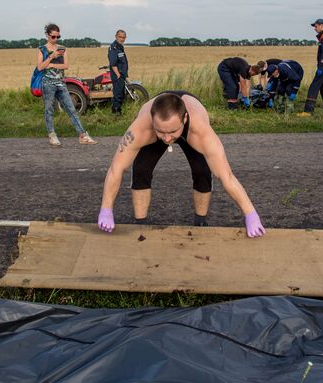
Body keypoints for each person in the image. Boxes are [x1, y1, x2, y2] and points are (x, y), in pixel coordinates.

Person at [97, 91, 266, 238]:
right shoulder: (141, 128)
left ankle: (200, 224)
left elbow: (226, 176)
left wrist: (250, 214)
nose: (167, 138)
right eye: (161, 131)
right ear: (152, 120)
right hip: (158, 125)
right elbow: (116, 169)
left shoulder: (200, 130)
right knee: (141, 168)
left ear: (184, 119)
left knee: (202, 170)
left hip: (191, 126)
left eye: (172, 132)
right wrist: (106, 209)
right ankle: (141, 225)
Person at [37, 23, 97, 146]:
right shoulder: (42, 49)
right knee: (49, 110)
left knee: (71, 109)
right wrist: (51, 57)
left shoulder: (63, 49)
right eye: (53, 37)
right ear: (47, 35)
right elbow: (40, 67)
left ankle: (83, 135)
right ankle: (52, 135)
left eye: (58, 36)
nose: (56, 39)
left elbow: (65, 66)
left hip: (61, 83)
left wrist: (52, 64)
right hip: (48, 83)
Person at [299, 18, 323, 116]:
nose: (314, 29)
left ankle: (308, 111)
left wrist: (321, 66)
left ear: (321, 26)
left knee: (314, 86)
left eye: (316, 26)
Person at [108, 29, 128, 114]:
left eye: (123, 37)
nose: (122, 39)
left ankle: (117, 111)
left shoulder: (120, 46)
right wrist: (118, 75)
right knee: (118, 94)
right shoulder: (113, 47)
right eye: (120, 37)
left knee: (121, 93)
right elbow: (113, 63)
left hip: (121, 74)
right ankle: (116, 113)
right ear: (116, 36)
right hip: (117, 75)